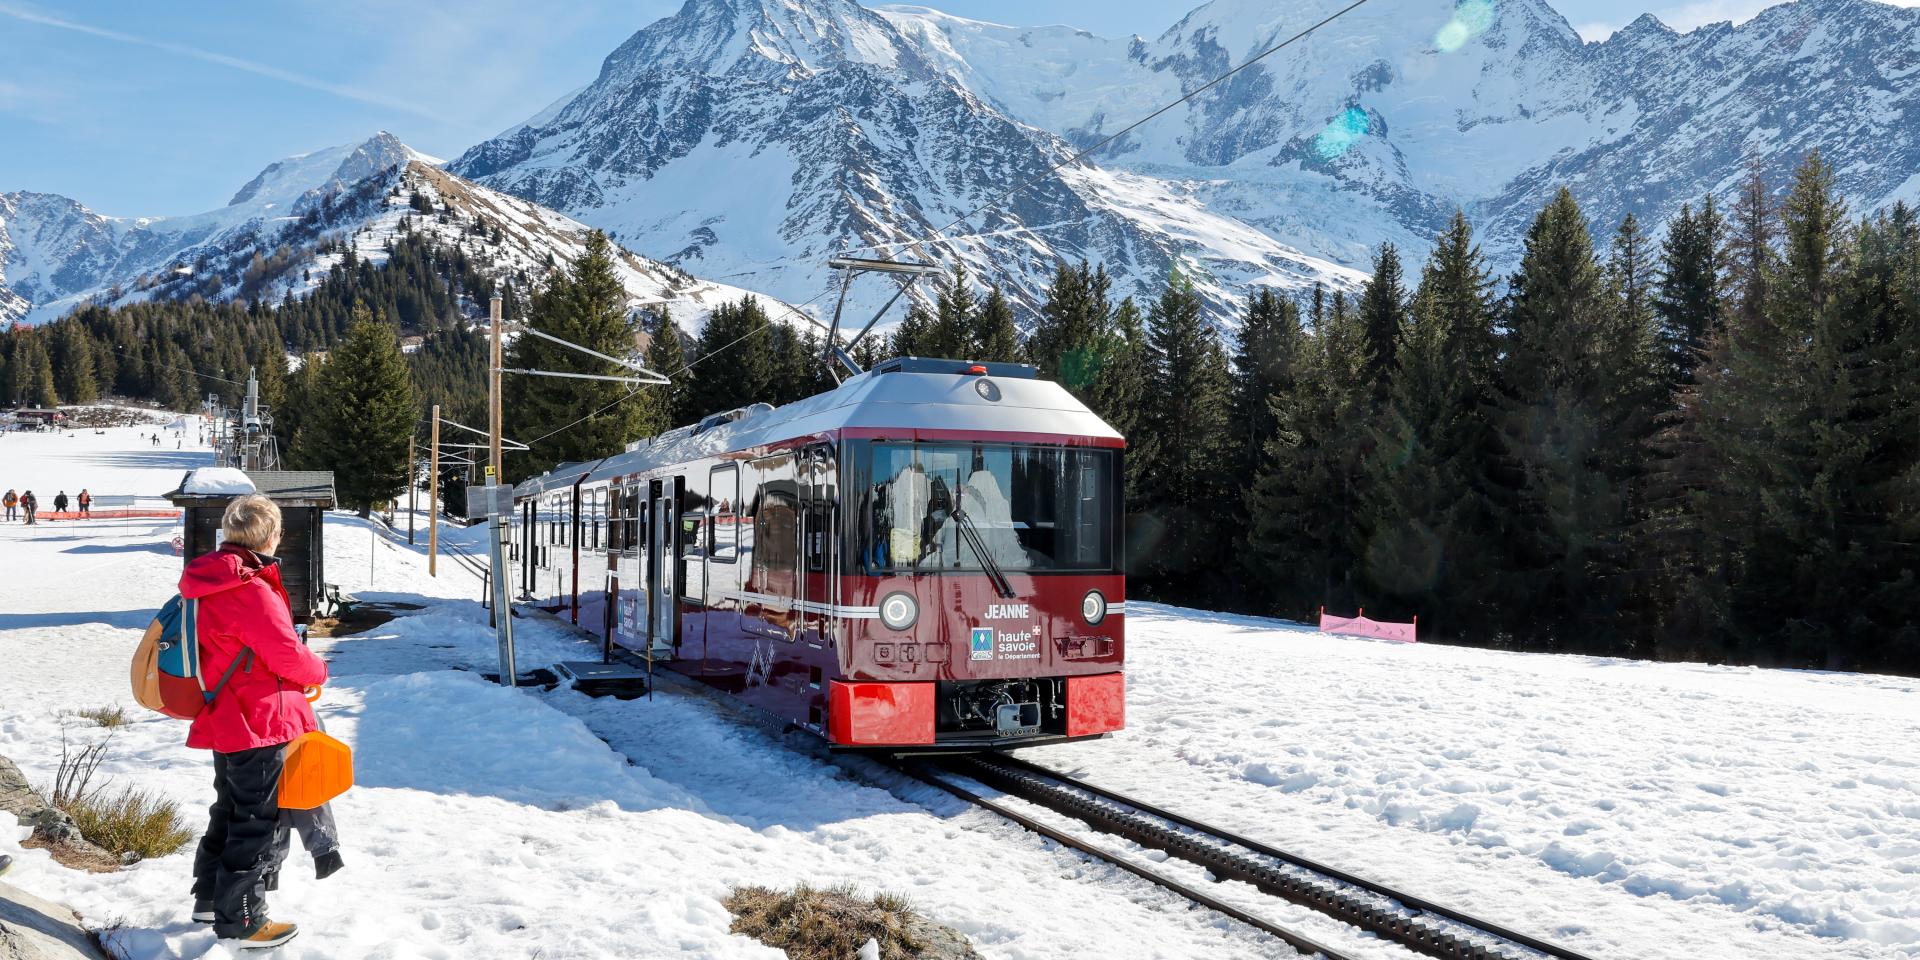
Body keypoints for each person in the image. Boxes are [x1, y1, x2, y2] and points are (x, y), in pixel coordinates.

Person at [181, 494, 327, 950]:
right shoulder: (250, 589)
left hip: (224, 713)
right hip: (259, 718)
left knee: (229, 807)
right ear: (271, 535)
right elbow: (286, 654)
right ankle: (243, 919)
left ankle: (211, 898)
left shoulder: (204, 580)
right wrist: (319, 670)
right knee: (257, 819)